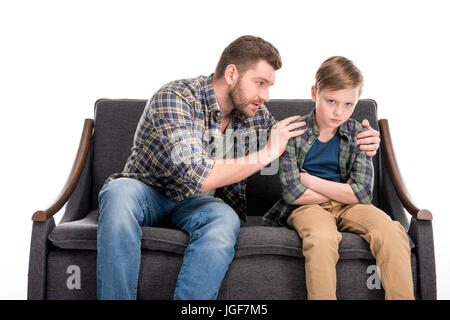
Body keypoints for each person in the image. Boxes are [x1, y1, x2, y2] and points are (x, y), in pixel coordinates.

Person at [96, 37, 381, 300]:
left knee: (225, 219)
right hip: (145, 191)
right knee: (119, 194)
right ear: (231, 74)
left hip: (194, 205)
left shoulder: (253, 115)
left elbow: (301, 143)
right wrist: (267, 151)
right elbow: (196, 175)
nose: (266, 95)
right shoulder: (177, 98)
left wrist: (363, 141)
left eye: (269, 86)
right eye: (260, 83)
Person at [263, 56, 414, 300]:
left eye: (348, 104)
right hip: (307, 206)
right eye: (331, 101)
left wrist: (311, 181)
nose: (338, 112)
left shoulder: (359, 134)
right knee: (322, 238)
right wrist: (344, 190)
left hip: (350, 206)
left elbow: (363, 193)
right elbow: (293, 194)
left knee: (392, 231)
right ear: (315, 93)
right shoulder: (293, 133)